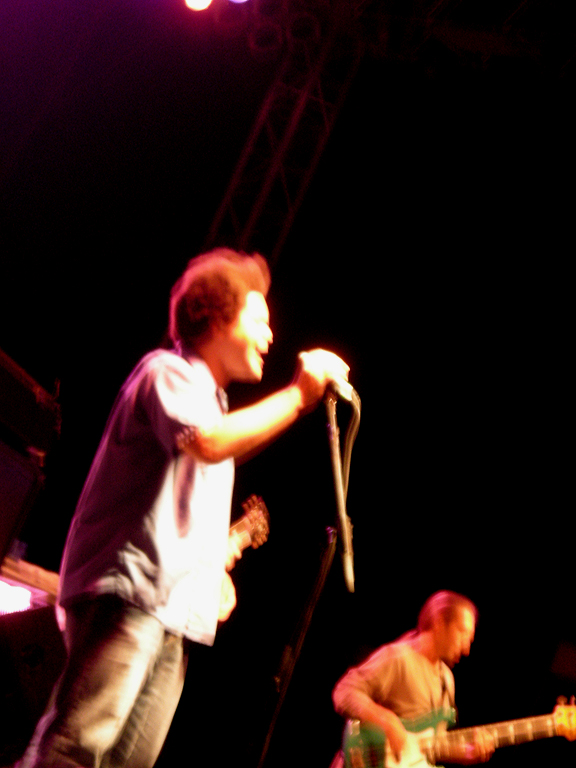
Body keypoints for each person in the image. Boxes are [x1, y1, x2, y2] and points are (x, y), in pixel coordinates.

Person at [18, 247, 350, 768]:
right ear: (214, 316)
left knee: (131, 761)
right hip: (131, 595)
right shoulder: (167, 371)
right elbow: (207, 442)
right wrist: (297, 396)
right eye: (258, 320)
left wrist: (211, 570)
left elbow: (211, 459)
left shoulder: (213, 408)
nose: (270, 335)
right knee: (75, 749)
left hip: (173, 611)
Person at [331, 590, 495, 767]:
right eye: (462, 633)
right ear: (439, 622)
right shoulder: (398, 658)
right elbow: (345, 690)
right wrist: (384, 719)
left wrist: (467, 753)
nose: (466, 650)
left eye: (469, 640)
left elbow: (431, 746)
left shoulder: (447, 679)